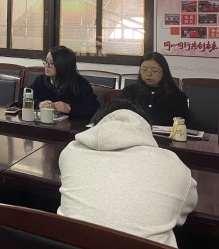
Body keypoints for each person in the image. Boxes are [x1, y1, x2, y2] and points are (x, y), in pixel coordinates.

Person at [57, 100, 197, 247]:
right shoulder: (173, 164)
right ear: (146, 129)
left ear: (95, 125)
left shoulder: (71, 152)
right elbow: (184, 211)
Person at [119, 51, 189, 126]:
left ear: (164, 72)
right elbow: (118, 116)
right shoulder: (129, 91)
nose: (148, 74)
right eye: (144, 70)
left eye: (154, 71)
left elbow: (182, 126)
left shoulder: (178, 97)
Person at [30, 45, 99, 120]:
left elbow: (94, 109)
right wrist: (38, 104)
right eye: (46, 61)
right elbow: (24, 99)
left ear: (62, 65)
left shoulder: (80, 84)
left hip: (71, 125)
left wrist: (70, 108)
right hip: (43, 124)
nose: (46, 65)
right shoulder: (41, 80)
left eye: (51, 63)